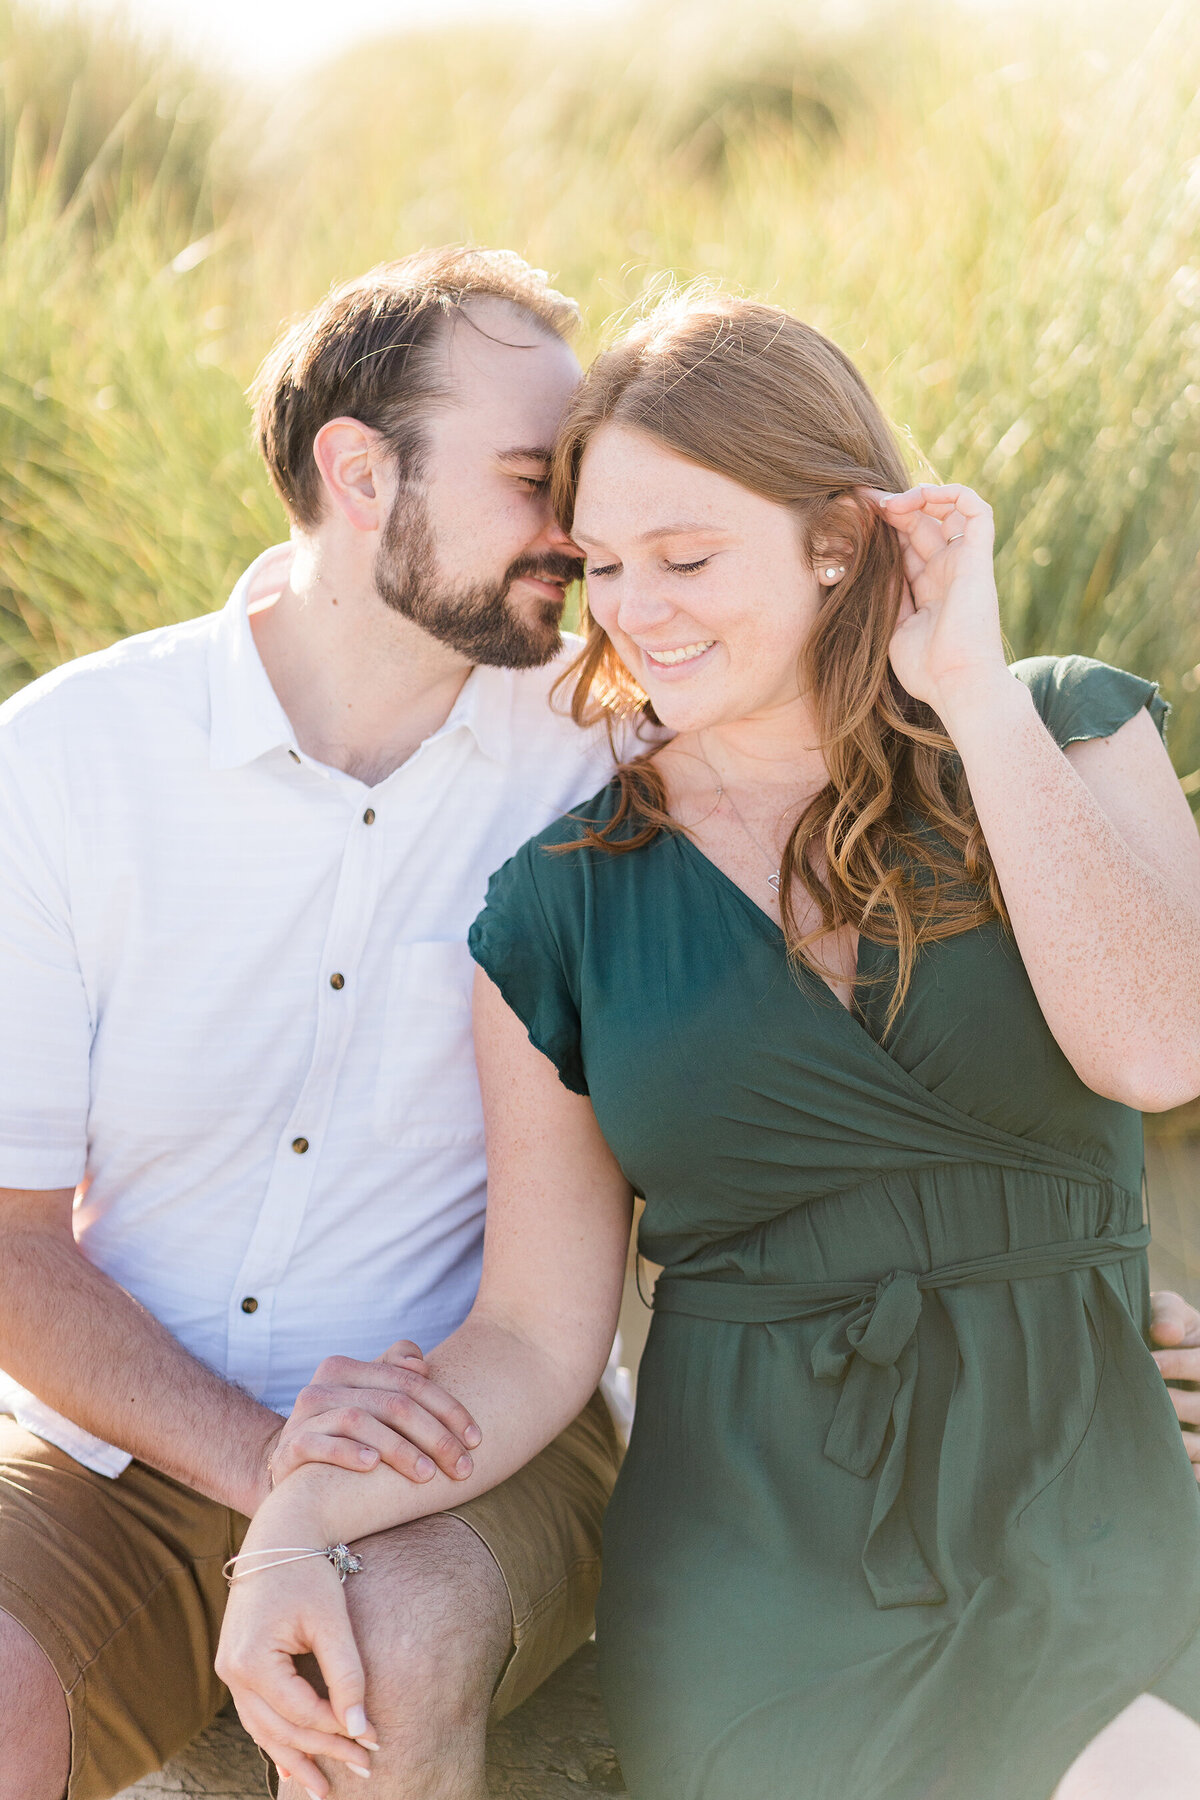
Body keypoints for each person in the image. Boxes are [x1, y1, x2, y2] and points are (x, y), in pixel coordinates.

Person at [217, 291, 1200, 1800]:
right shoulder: (561, 905)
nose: (637, 611)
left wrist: (971, 689)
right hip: (762, 1561)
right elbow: (541, 1339)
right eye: (604, 566)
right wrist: (296, 1528)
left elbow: (1159, 1049)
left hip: (1100, 1500)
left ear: (840, 536)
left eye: (686, 558)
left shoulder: (1060, 734)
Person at [0, 248, 634, 1800]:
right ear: (360, 472)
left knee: (387, 1652)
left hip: (472, 1452)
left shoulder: (607, 766)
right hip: (117, 1448)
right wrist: (273, 1472)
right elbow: (9, 1242)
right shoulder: (71, 761)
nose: (580, 532)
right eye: (533, 477)